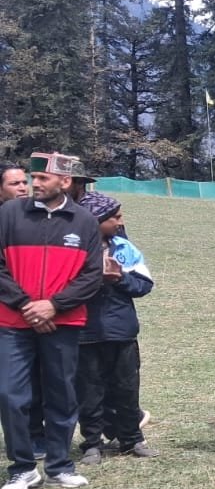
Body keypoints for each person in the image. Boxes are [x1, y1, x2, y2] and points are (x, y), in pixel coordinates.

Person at [0, 153, 104, 489]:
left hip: (64, 322)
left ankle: (59, 466)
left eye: (43, 178)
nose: (35, 184)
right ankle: (22, 469)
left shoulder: (85, 221)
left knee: (61, 394)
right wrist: (28, 306)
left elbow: (92, 275)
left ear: (65, 181)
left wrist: (54, 306)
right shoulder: (9, 214)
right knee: (10, 395)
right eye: (33, 178)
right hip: (13, 322)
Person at [74, 195, 156, 465]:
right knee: (89, 391)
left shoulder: (124, 248)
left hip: (122, 331)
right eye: (115, 217)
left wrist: (120, 278)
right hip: (84, 333)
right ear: (95, 220)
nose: (121, 222)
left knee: (127, 387)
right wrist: (94, 279)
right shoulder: (72, 249)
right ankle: (92, 444)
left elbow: (144, 285)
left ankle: (132, 439)